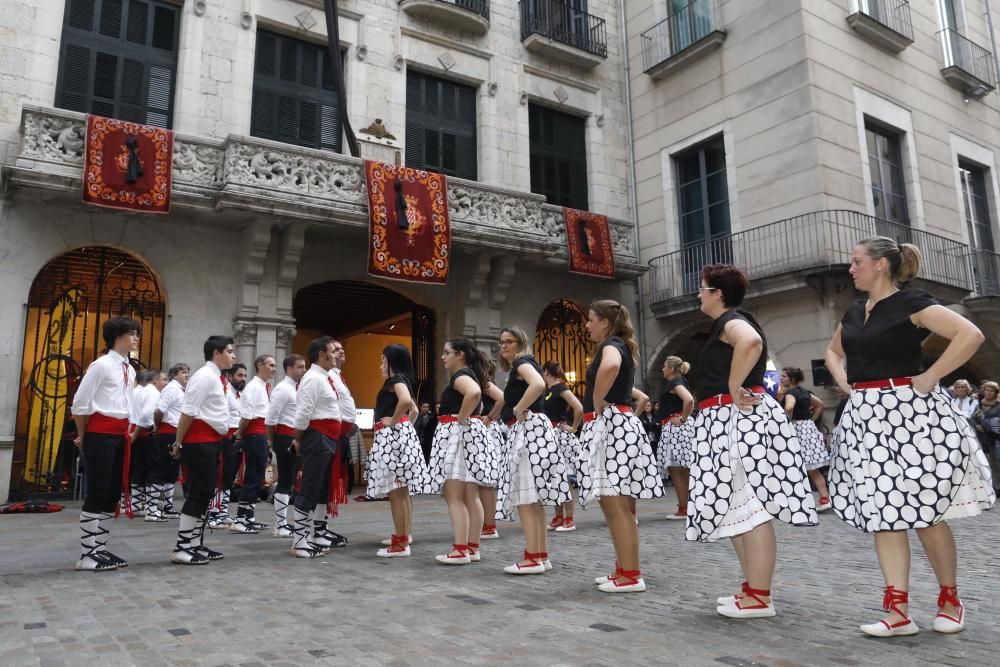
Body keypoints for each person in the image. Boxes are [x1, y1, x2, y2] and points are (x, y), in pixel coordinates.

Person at [825, 236, 995, 636]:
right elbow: (834, 352)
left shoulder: (911, 302)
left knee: (926, 514)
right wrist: (846, 383)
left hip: (911, 415)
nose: (851, 269)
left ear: (881, 264)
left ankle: (950, 598)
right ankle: (898, 610)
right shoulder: (852, 311)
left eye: (856, 261)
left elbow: (970, 335)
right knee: (883, 513)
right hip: (866, 416)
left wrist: (930, 377)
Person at [688, 265, 817, 617]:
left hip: (735, 418)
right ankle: (752, 588)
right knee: (736, 506)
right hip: (727, 418)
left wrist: (733, 386)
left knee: (751, 506)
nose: (698, 294)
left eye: (702, 288)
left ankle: (759, 595)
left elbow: (751, 341)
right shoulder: (725, 322)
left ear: (718, 293)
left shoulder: (732, 320)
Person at [577, 301, 662, 592]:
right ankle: (625, 568)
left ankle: (630, 574)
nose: (587, 325)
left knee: (616, 506)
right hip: (617, 426)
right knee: (618, 506)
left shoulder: (611, 345)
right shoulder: (620, 344)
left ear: (604, 322)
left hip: (610, 426)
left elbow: (611, 366)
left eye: (590, 319)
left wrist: (599, 401)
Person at [497, 326, 570, 575]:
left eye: (509, 341)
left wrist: (518, 408)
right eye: (501, 342)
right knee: (532, 498)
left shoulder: (522, 363)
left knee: (526, 497)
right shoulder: (522, 364)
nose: (504, 346)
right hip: (535, 431)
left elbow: (538, 384)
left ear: (520, 343)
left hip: (527, 431)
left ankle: (533, 558)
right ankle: (539, 554)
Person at [71, 317, 140, 571]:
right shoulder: (100, 365)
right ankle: (87, 553)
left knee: (113, 494)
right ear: (117, 336)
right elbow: (80, 403)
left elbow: (128, 405)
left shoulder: (129, 369)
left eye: (137, 334)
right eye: (131, 333)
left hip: (121, 435)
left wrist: (130, 431)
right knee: (97, 491)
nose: (136, 338)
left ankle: (99, 548)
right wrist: (83, 435)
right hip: (99, 433)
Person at [169, 336, 235, 565]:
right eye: (229, 351)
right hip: (199, 441)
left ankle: (194, 543)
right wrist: (178, 443)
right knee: (199, 492)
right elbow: (188, 411)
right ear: (216, 353)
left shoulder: (217, 377)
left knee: (206, 492)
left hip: (212, 440)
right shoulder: (205, 376)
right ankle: (182, 546)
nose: (233, 355)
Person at [428, 338, 494, 565]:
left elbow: (474, 393)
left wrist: (462, 419)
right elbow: (491, 396)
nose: (443, 357)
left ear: (460, 355)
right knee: (470, 494)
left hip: (458, 437)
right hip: (468, 435)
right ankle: (471, 547)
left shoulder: (461, 377)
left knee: (454, 495)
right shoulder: (472, 374)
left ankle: (460, 549)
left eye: (447, 353)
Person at [370, 344, 431, 558]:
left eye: (383, 360)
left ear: (391, 361)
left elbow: (406, 402)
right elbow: (413, 409)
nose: (381, 365)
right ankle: (402, 537)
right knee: (402, 492)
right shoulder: (404, 380)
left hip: (392, 438)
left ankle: (401, 543)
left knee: (396, 493)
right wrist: (405, 425)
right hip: (401, 436)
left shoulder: (395, 381)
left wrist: (393, 422)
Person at [289, 336, 343, 558]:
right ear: (321, 354)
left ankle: (307, 537)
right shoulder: (313, 379)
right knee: (309, 488)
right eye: (332, 351)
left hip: (326, 438)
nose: (336, 354)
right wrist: (298, 438)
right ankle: (299, 541)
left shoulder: (324, 377)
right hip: (317, 437)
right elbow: (303, 413)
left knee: (317, 488)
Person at [231, 354, 274, 533]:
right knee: (252, 477)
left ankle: (249, 517)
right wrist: (240, 433)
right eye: (270, 365)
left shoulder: (262, 387)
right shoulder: (254, 387)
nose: (274, 368)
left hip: (260, 433)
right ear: (259, 365)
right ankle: (241, 519)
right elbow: (247, 416)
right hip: (254, 434)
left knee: (256, 477)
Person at [780, 367, 832, 512]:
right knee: (813, 469)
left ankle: (796, 501)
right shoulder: (805, 392)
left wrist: (786, 422)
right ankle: (824, 498)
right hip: (808, 428)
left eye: (784, 376)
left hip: (797, 430)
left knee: (795, 467)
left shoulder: (790, 394)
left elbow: (789, 408)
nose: (781, 378)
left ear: (792, 378)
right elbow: (820, 404)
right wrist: (811, 420)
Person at [266, 353, 306, 537]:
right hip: (284, 436)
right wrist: (273, 442)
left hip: (293, 435)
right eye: (300, 367)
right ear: (289, 368)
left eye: (304, 367)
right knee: (285, 480)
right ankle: (280, 524)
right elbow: (271, 419)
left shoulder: (297, 388)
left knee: (289, 480)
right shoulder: (282, 389)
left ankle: (282, 523)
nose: (303, 370)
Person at [541, 360, 583, 532]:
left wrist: (573, 427)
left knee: (563, 477)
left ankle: (569, 518)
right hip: (550, 435)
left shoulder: (561, 388)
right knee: (554, 477)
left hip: (559, 435)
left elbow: (578, 407)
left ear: (546, 372)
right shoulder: (548, 391)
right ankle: (558, 516)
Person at [655, 356, 695, 521]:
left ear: (671, 369)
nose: (662, 369)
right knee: (682, 468)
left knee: (678, 469)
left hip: (676, 428)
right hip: (676, 427)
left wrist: (683, 418)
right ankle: (687, 506)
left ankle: (685, 508)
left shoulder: (675, 382)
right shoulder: (678, 381)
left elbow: (689, 399)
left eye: (664, 366)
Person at [324, 340, 355, 548]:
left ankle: (322, 527)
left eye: (341, 348)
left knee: (331, 482)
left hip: (341, 436)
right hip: (330, 436)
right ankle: (318, 529)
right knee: (325, 484)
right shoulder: (327, 376)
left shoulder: (338, 376)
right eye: (335, 349)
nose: (340, 351)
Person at [207, 363, 246, 529]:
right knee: (221, 476)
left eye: (245, 375)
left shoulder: (239, 394)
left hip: (237, 436)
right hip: (227, 436)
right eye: (240, 375)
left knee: (230, 476)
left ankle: (222, 512)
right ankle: (213, 513)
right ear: (230, 376)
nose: (243, 379)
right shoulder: (226, 392)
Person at [151, 363, 189, 521]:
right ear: (174, 375)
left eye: (187, 372)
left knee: (172, 471)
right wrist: (158, 426)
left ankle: (167, 506)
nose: (187, 375)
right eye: (183, 372)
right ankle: (153, 508)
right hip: (167, 432)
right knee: (162, 469)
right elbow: (159, 410)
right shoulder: (172, 389)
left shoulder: (180, 390)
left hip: (176, 433)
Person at [128, 368, 162, 517]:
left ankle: (136, 505)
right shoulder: (153, 392)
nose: (165, 383)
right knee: (153, 469)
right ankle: (152, 509)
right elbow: (147, 413)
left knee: (139, 469)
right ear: (154, 380)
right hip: (146, 432)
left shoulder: (137, 392)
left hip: (138, 431)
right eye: (164, 380)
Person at [972, 381, 1000, 491]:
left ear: (996, 392)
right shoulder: (979, 403)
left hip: (997, 436)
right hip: (985, 438)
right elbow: (973, 418)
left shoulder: (998, 404)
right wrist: (978, 425)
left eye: (992, 390)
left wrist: (989, 425)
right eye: (987, 390)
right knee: (991, 462)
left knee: (999, 461)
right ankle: (996, 487)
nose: (989, 392)